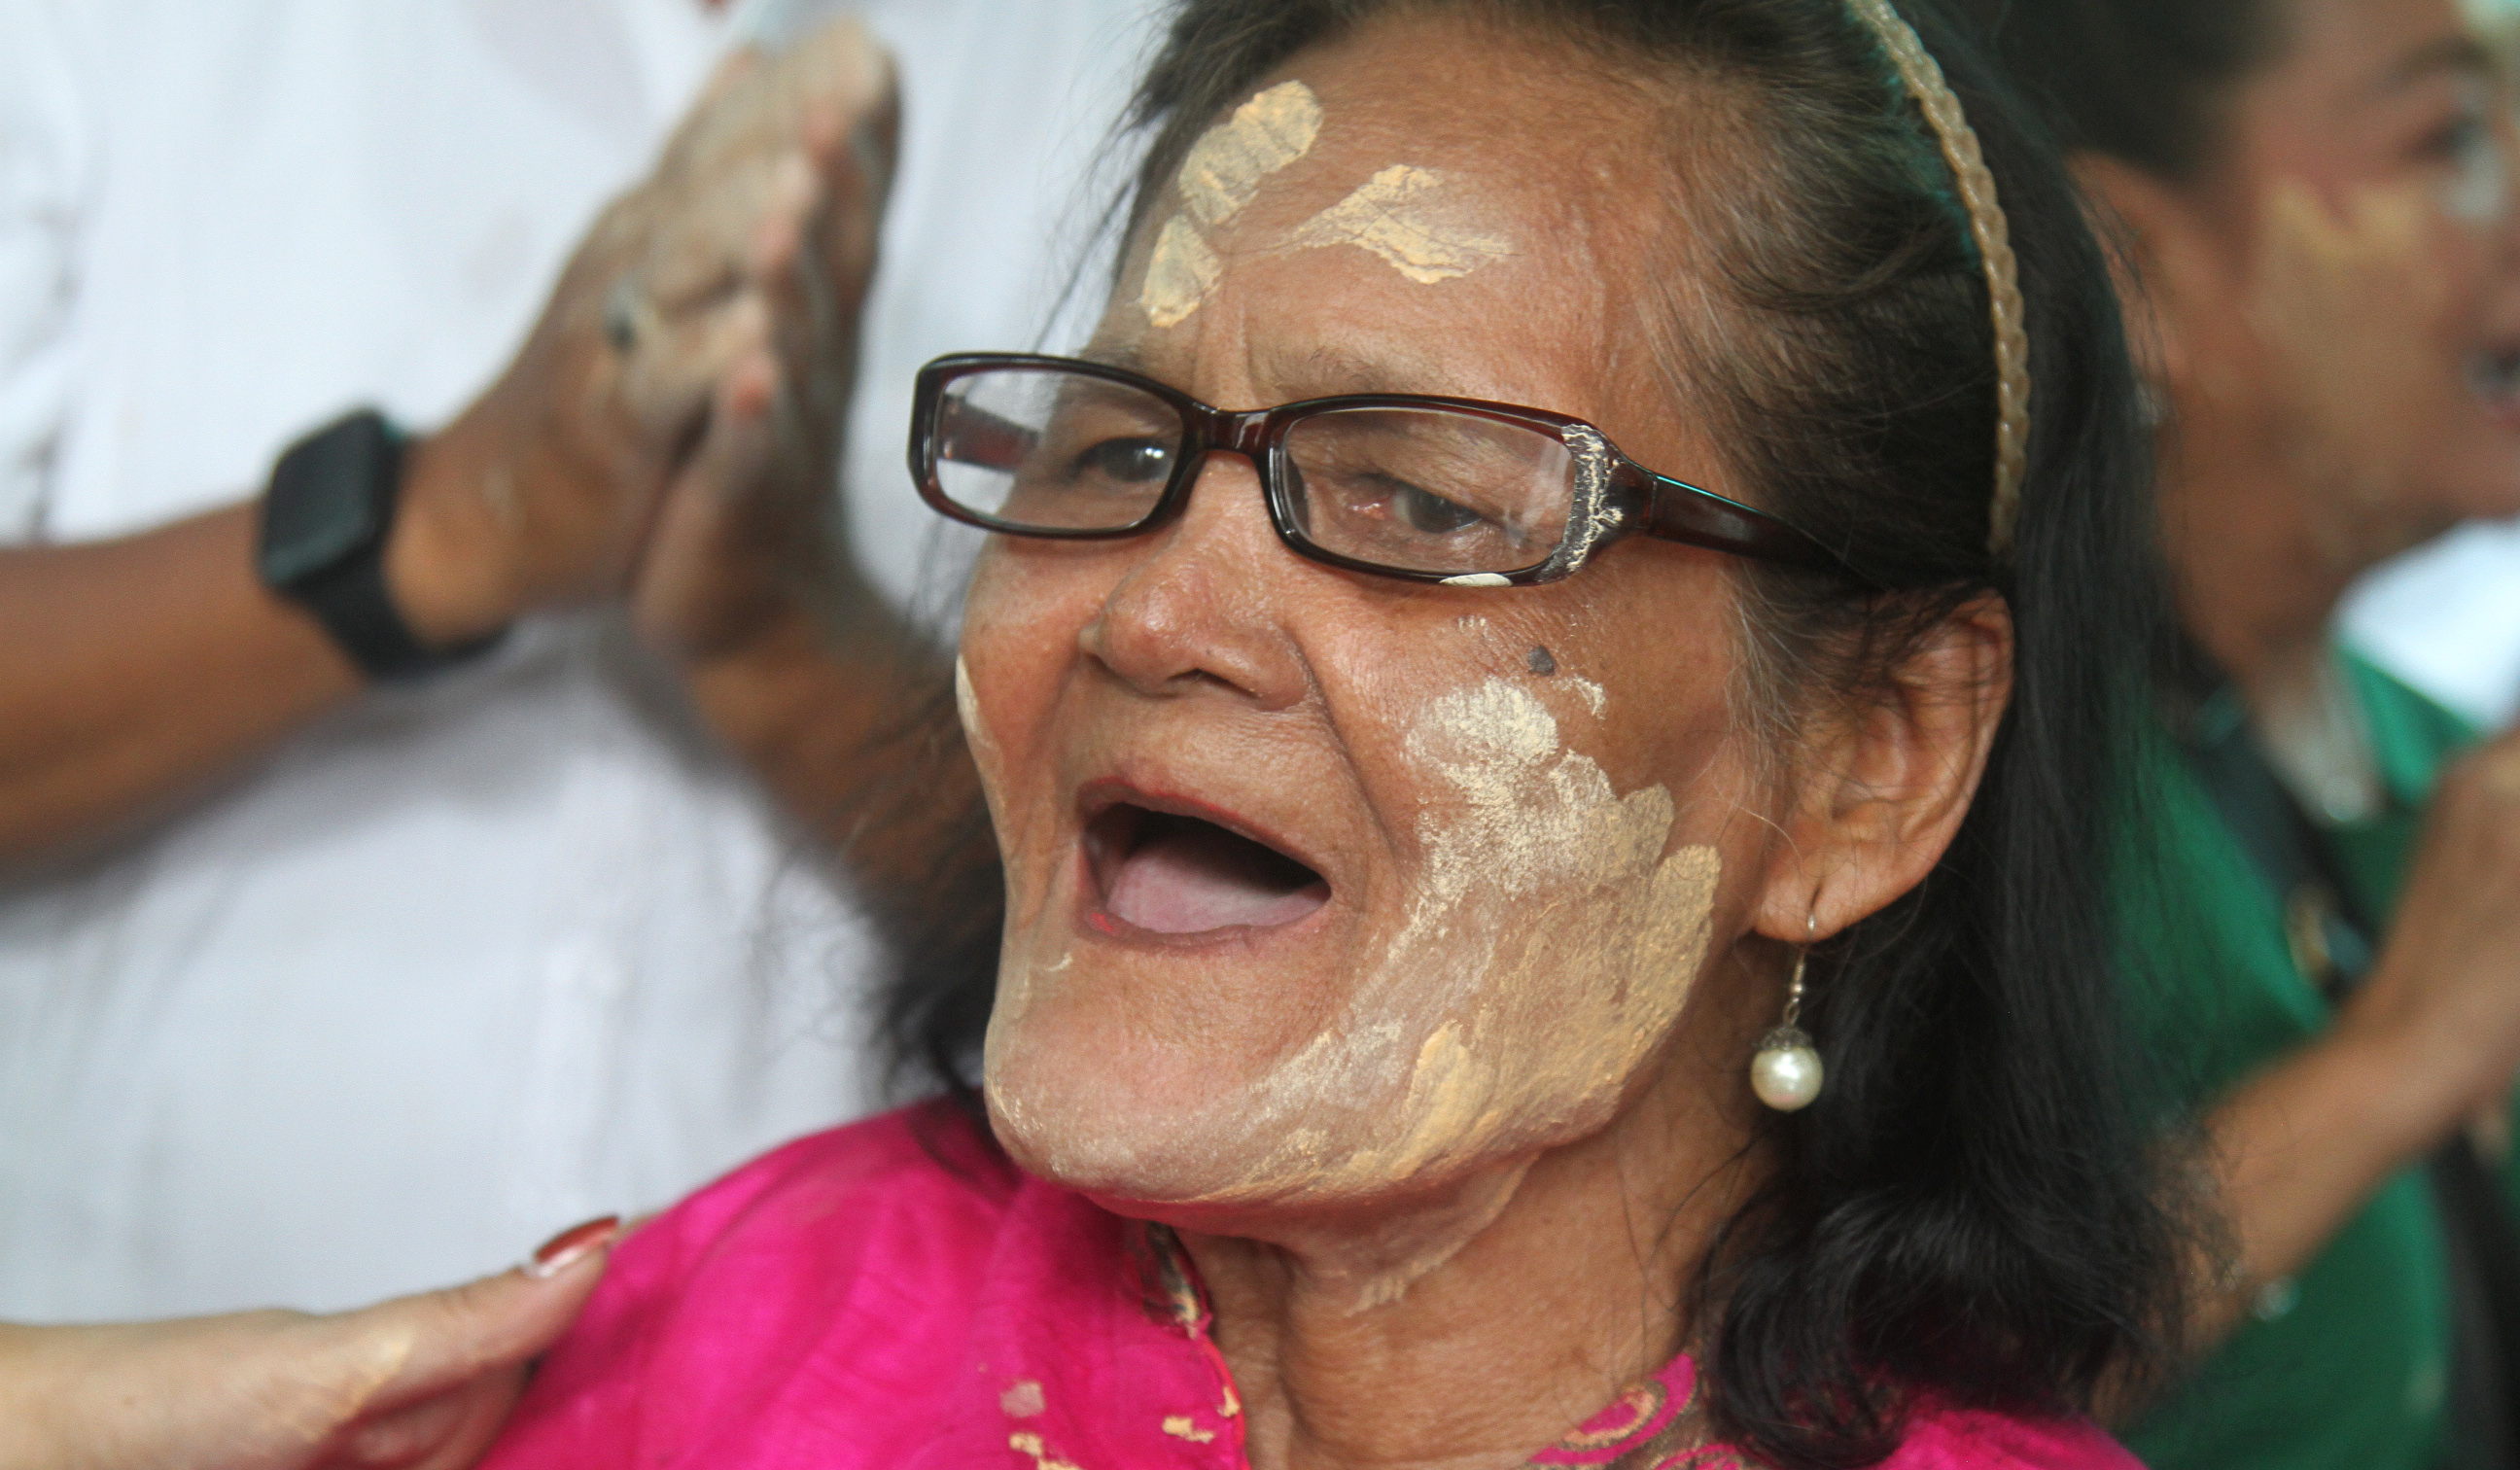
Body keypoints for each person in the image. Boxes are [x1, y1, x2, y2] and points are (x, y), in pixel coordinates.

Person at [474, 0, 2188, 1464]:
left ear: (1869, 764)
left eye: (1423, 501)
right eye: (1118, 450)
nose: (1153, 615)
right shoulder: (728, 1344)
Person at [0, 0, 1149, 1320]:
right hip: (117, 1353)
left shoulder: (1137, 64)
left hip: (828, 1389)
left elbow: (1180, 941)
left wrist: (780, 640)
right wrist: (445, 522)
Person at [1997, 1, 2520, 1466]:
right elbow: (1880, 1396)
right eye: (2451, 141)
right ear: (2134, 265)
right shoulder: (1966, 781)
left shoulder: (2441, 756)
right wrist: (2405, 1053)